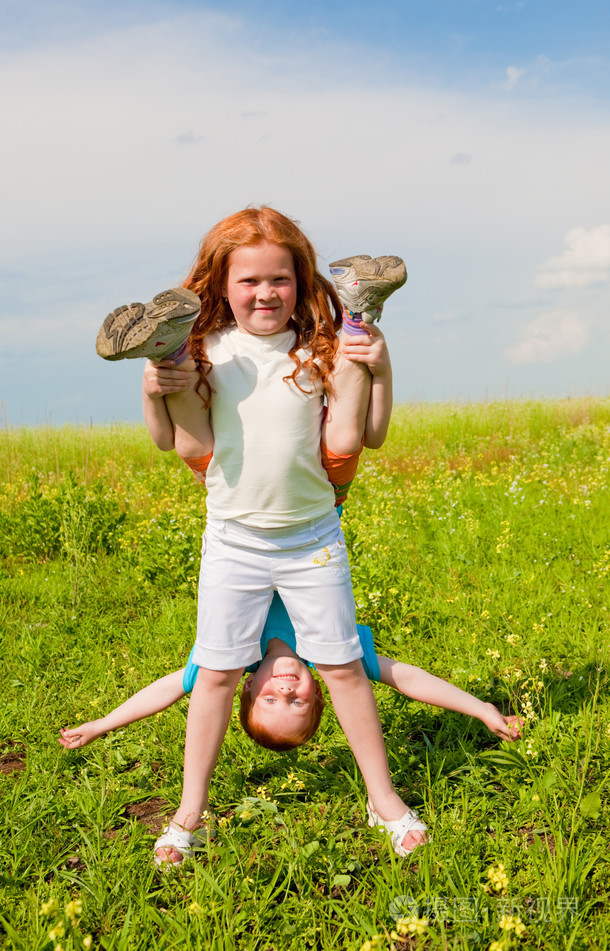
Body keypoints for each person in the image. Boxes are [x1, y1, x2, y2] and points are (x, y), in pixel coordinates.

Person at [95, 206, 421, 865]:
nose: (265, 293)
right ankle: (187, 815)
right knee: (215, 674)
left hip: (312, 538)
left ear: (302, 282)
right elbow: (166, 442)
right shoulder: (211, 350)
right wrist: (154, 388)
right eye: (249, 281)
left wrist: (380, 369)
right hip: (235, 539)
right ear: (221, 286)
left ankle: (384, 799)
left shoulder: (318, 346)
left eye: (280, 279)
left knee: (342, 669)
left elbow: (374, 434)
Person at [58, 593, 522, 784]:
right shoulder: (331, 656)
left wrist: (102, 724)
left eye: (270, 699)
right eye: (297, 701)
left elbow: (169, 690)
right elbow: (407, 677)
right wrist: (480, 708)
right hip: (310, 517)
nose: (285, 690)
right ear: (319, 691)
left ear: (247, 686)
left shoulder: (230, 660)